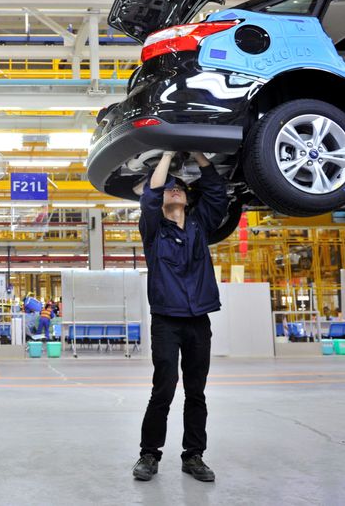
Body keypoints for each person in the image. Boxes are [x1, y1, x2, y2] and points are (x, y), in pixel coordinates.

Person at [132, 151, 228, 484]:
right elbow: (151, 194)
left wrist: (198, 153)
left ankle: (194, 456)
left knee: (196, 392)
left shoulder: (201, 226)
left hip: (199, 320)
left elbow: (216, 190)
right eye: (169, 188)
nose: (174, 190)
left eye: (180, 188)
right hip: (166, 322)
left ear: (187, 200)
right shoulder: (153, 230)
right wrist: (169, 152)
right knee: (164, 387)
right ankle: (149, 454)